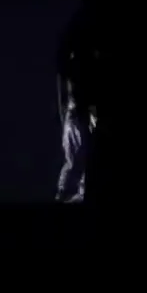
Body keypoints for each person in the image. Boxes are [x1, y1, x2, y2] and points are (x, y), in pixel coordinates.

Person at [55, 10, 97, 203]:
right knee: (77, 159)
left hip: (81, 111)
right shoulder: (76, 62)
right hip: (78, 112)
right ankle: (67, 195)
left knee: (83, 159)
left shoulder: (77, 61)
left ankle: (74, 194)